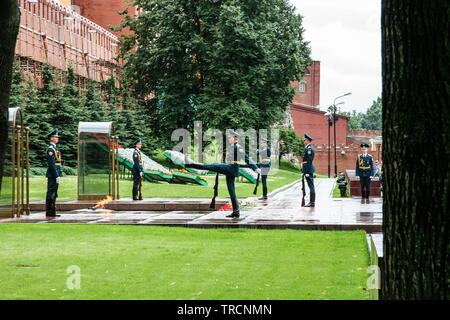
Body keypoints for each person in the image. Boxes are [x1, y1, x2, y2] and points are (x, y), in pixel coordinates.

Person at [185, 130, 261, 218]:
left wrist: (255, 168)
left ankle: (191, 164)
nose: (228, 138)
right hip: (230, 169)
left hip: (231, 168)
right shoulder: (232, 147)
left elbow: (246, 158)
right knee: (231, 191)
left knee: (213, 166)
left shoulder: (238, 147)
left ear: (235, 138)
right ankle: (236, 211)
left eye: (230, 137)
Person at [46, 128, 61, 217]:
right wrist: (56, 175)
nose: (57, 138)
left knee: (54, 192)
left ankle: (52, 211)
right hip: (53, 174)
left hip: (56, 173)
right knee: (51, 191)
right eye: (55, 137)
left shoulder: (55, 148)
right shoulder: (51, 149)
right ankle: (49, 211)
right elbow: (52, 164)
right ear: (51, 138)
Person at [301, 133, 316, 207]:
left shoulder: (309, 149)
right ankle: (312, 202)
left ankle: (312, 202)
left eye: (304, 140)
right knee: (311, 185)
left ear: (307, 141)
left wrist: (306, 172)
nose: (303, 141)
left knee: (311, 186)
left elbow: (309, 161)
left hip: (308, 170)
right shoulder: (308, 148)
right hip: (307, 169)